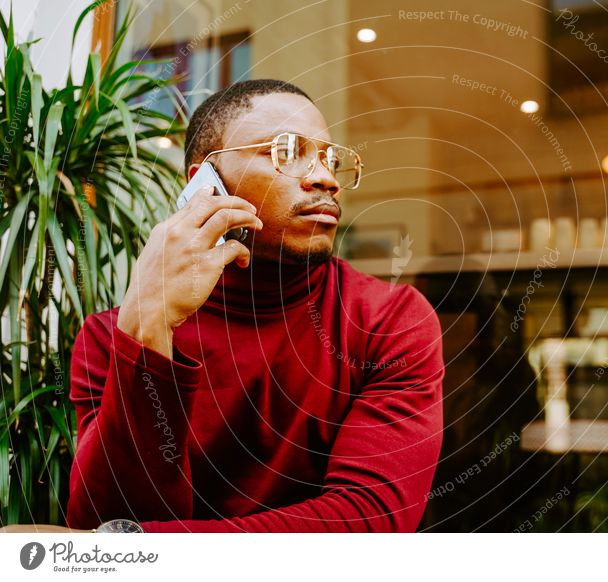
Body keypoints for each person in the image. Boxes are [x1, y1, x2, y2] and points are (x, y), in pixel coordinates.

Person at [62, 79, 445, 532]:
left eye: (328, 157)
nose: (325, 177)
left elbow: (365, 523)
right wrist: (148, 329)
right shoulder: (113, 338)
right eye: (285, 151)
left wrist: (142, 547)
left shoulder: (387, 319)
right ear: (206, 183)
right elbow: (107, 522)